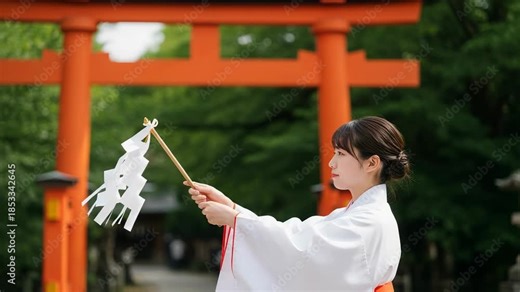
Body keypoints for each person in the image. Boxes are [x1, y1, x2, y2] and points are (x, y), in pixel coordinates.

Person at [184, 116, 410, 291]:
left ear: (371, 163)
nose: (332, 162)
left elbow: (301, 249)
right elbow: (297, 236)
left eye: (341, 154)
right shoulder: (358, 215)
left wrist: (235, 219)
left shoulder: (369, 221)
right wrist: (234, 210)